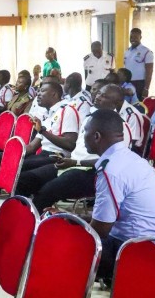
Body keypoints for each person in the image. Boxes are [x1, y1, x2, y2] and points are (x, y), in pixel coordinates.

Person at [16, 85, 134, 213]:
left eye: (104, 96)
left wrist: (77, 162)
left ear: (116, 102)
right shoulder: (89, 119)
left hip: (94, 174)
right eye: (99, 93)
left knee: (46, 191)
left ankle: (33, 222)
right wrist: (69, 160)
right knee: (24, 180)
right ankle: (18, 216)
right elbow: (78, 149)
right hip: (72, 164)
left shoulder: (120, 127)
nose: (98, 97)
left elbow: (112, 162)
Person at [84, 109, 155, 282]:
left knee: (66, 245)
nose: (83, 136)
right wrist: (71, 218)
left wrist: (69, 224)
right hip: (151, 245)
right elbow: (109, 217)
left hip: (136, 252)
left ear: (96, 136)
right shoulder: (130, 159)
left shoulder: (111, 170)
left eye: (85, 132)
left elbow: (100, 230)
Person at [0, 82, 79, 199]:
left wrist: (43, 131)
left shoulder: (67, 111)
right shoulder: (49, 113)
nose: (38, 94)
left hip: (57, 157)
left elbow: (70, 144)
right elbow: (32, 147)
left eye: (42, 91)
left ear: (54, 94)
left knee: (18, 171)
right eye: (38, 91)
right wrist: (11, 152)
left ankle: (18, 205)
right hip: (43, 155)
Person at [123, 27, 153, 100]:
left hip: (140, 84)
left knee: (138, 104)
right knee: (127, 103)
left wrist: (146, 88)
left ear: (140, 37)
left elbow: (149, 71)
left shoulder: (146, 51)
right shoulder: (127, 51)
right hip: (127, 83)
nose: (133, 39)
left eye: (136, 37)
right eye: (131, 37)